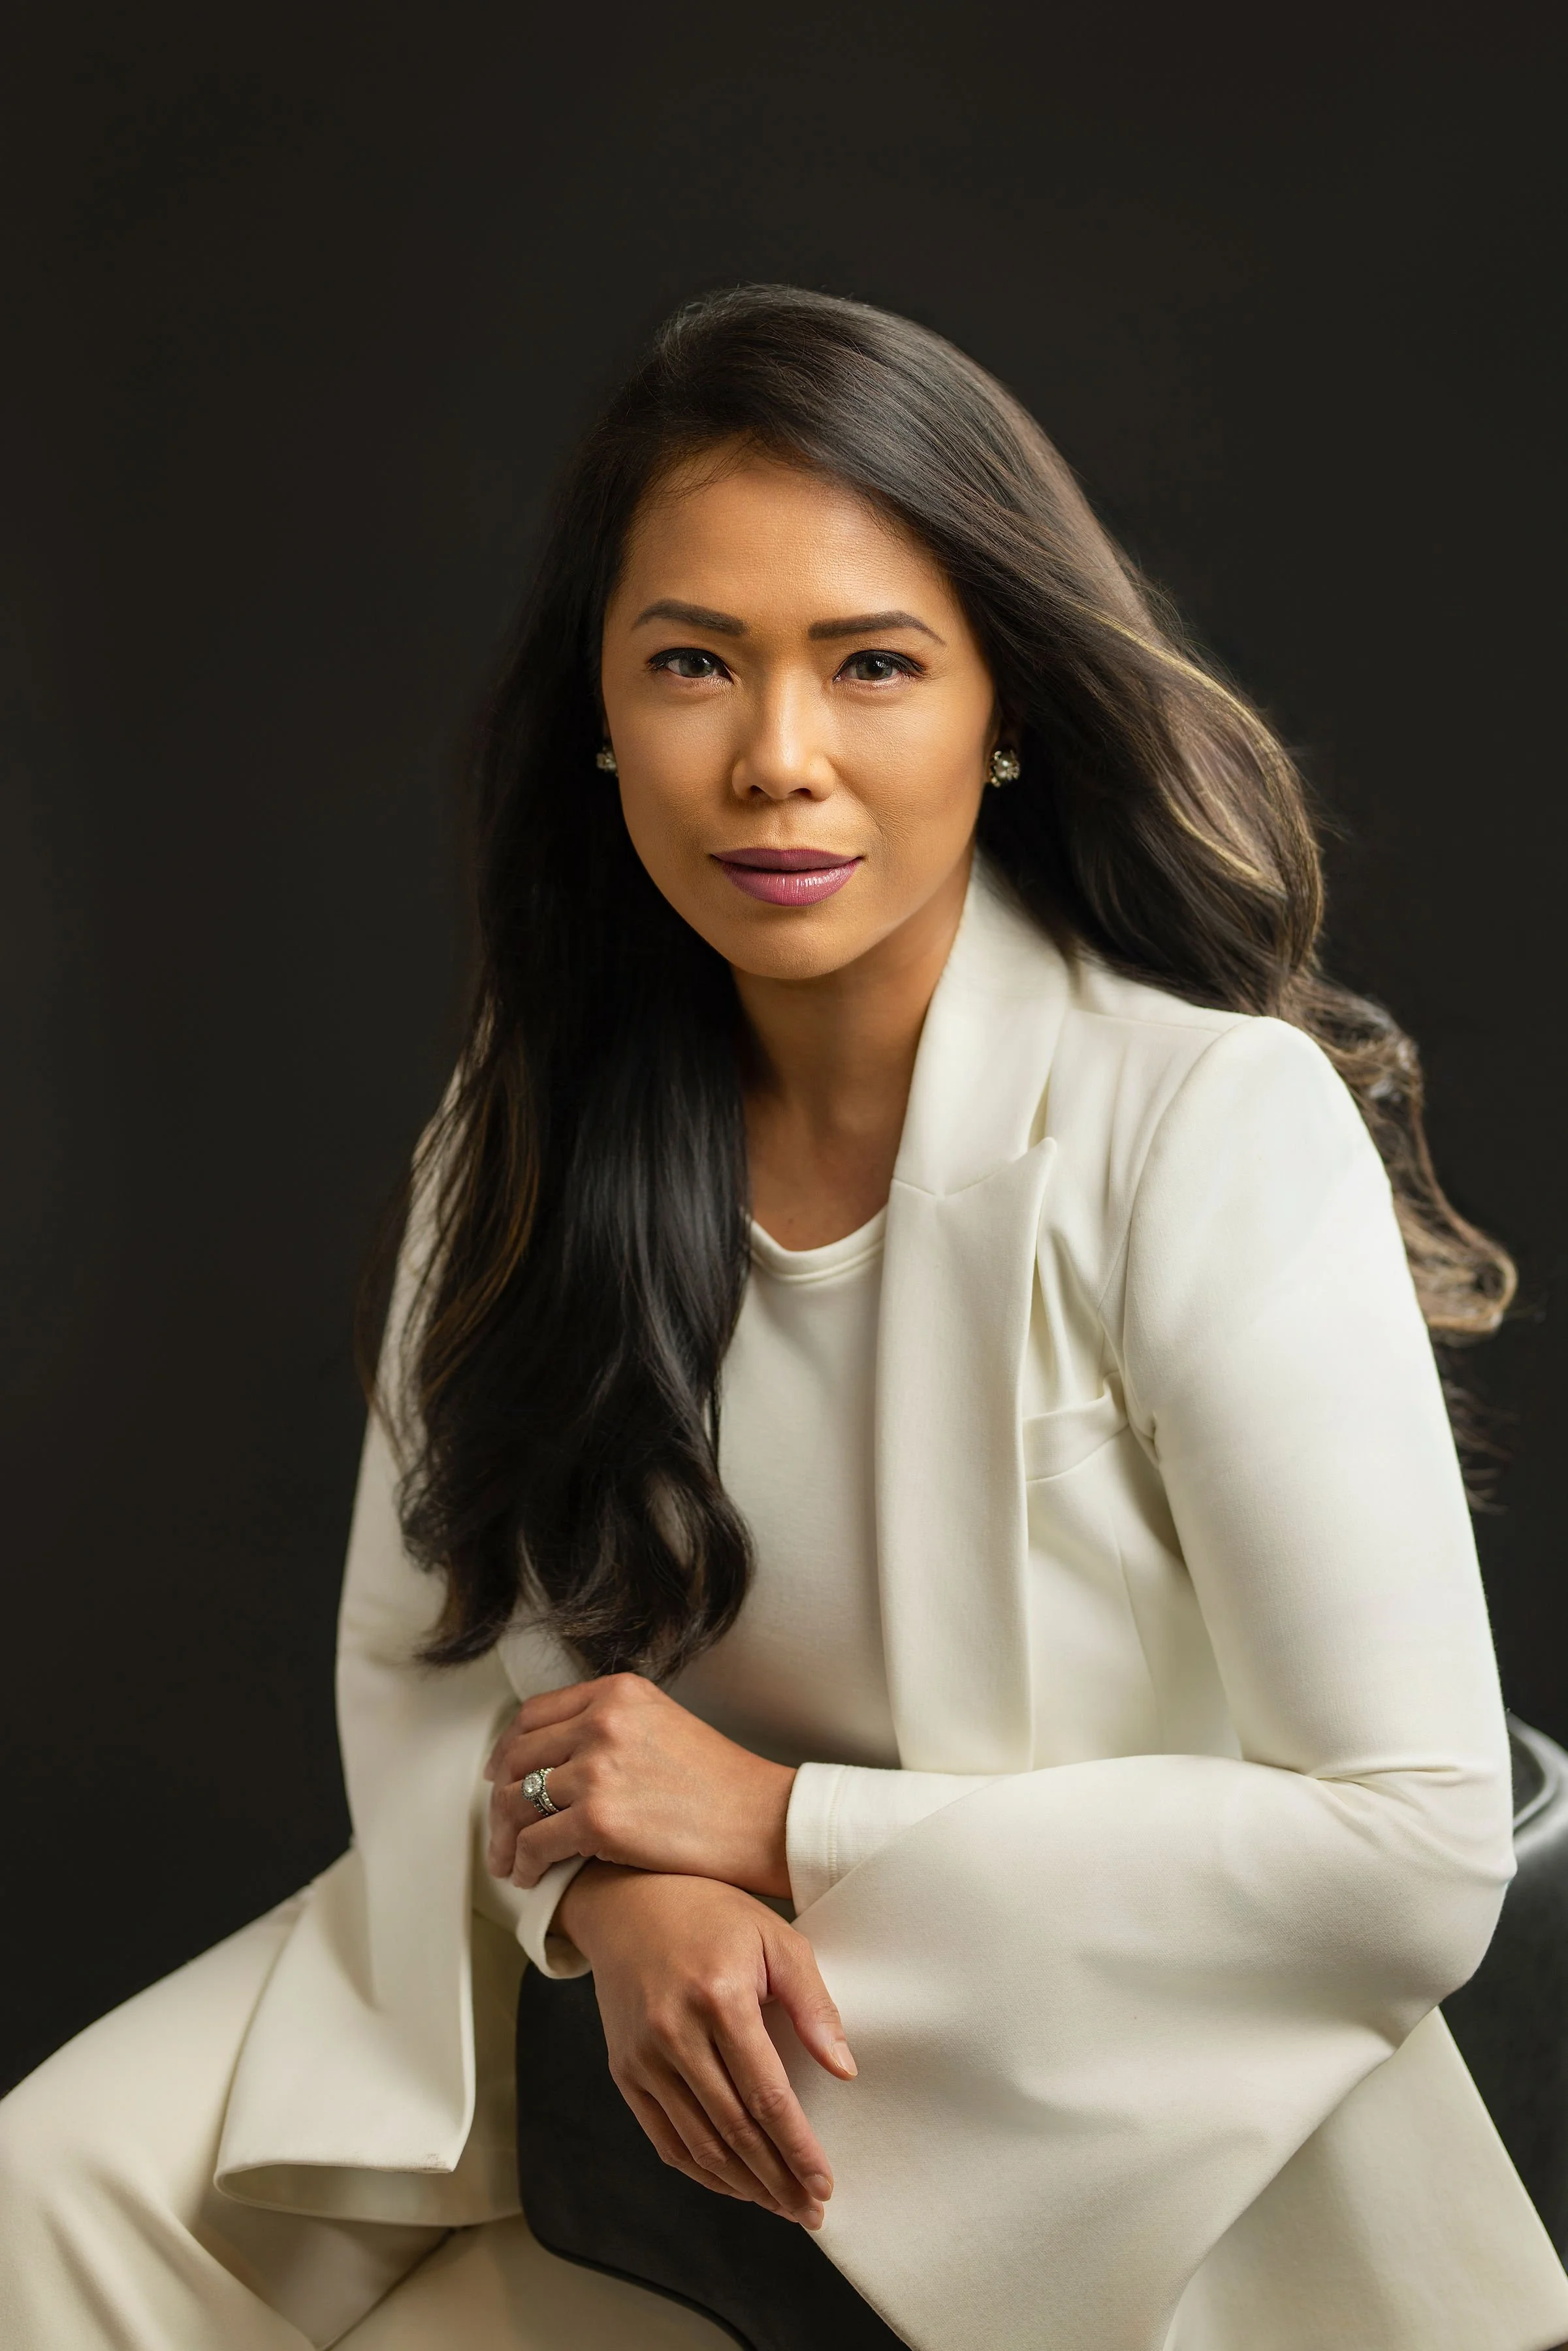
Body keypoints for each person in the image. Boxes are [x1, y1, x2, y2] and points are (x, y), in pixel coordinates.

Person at [3, 284, 1565, 2351]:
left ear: (1005, 709)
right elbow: (441, 1650)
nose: (775, 761)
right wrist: (616, 1887)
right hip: (610, 2019)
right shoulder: (526, 1132)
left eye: (874, 665)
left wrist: (758, 1825)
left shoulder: (1197, 1123)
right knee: (49, 2201)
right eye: (690, 666)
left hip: (1071, 2097)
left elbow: (1414, 1851)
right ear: (598, 706)